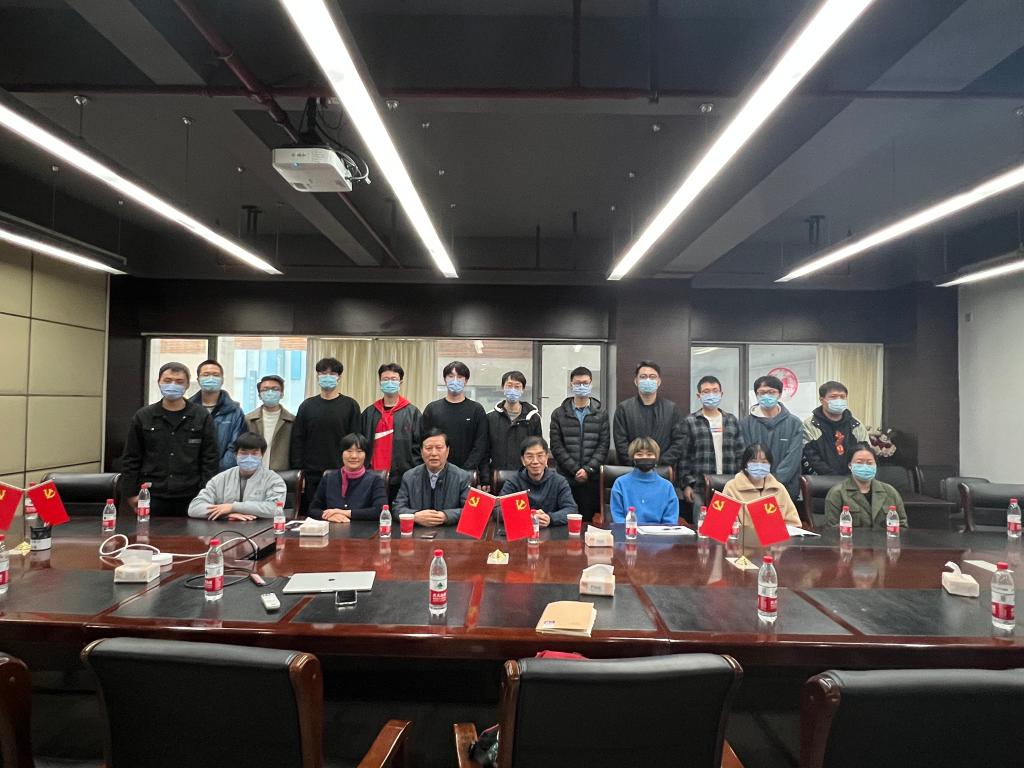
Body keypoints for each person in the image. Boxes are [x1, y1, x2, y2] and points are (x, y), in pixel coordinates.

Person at [120, 362, 219, 517]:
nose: (173, 385)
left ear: (187, 385)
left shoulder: (201, 416)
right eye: (167, 380)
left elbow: (210, 459)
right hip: (152, 494)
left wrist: (206, 493)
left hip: (192, 496)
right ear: (159, 382)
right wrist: (130, 493)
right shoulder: (144, 416)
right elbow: (131, 458)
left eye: (179, 382)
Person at [290, 357, 361, 513]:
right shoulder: (307, 406)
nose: (327, 377)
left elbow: (356, 441)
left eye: (332, 373)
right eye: (323, 373)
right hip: (311, 475)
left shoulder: (350, 405)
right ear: (317, 376)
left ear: (339, 377)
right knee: (312, 515)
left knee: (338, 516)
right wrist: (299, 473)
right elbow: (298, 441)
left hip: (341, 473)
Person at [549, 366, 609, 521]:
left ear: (591, 384)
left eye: (585, 383)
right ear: (571, 385)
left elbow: (603, 445)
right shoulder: (559, 414)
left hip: (592, 478)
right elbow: (556, 446)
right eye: (577, 383)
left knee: (588, 522)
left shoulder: (601, 413)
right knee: (565, 520)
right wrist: (575, 469)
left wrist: (587, 470)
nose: (581, 386)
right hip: (566, 477)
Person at [187, 433, 286, 520]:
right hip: (225, 530)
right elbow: (194, 508)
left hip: (262, 530)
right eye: (244, 453)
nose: (249, 457)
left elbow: (275, 509)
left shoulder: (274, 480)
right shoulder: (221, 478)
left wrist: (233, 507)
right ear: (235, 455)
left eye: (254, 453)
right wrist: (226, 514)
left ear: (262, 455)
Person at [361, 363, 422, 503]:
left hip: (402, 478)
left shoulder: (412, 412)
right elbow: (362, 443)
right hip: (372, 476)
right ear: (380, 382)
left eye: (394, 379)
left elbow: (419, 447)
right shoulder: (369, 412)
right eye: (385, 379)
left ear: (401, 382)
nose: (389, 382)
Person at [678, 375, 745, 504]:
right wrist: (687, 485)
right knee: (701, 517)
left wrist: (741, 481)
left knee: (729, 517)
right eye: (706, 392)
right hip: (699, 487)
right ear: (699, 396)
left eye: (715, 391)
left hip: (730, 486)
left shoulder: (731, 420)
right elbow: (684, 458)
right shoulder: (690, 421)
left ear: (721, 394)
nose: (711, 395)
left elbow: (740, 454)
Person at [740, 374, 804, 503]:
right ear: (756, 395)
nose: (767, 396)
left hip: (785, 489)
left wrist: (774, 482)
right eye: (762, 393)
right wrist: (759, 482)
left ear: (779, 394)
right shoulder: (745, 423)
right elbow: (745, 455)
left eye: (771, 392)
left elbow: (793, 458)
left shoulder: (794, 423)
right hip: (753, 488)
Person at [421, 360, 489, 478]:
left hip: (467, 473)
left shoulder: (476, 410)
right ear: (445, 380)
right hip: (436, 471)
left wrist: (467, 470)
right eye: (451, 376)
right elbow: (424, 441)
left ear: (466, 381)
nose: (455, 380)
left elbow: (481, 444)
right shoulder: (432, 409)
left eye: (460, 377)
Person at [613, 360, 685, 469]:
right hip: (632, 470)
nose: (648, 380)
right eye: (643, 377)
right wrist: (636, 463)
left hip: (662, 470)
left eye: (652, 377)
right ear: (636, 381)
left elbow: (679, 441)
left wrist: (660, 463)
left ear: (659, 381)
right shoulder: (623, 409)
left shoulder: (672, 409)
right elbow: (620, 443)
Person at [393, 428, 472, 527]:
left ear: (447, 451)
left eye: (439, 448)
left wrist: (446, 516)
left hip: (449, 532)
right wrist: (415, 516)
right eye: (428, 448)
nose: (434, 453)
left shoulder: (462, 477)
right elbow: (397, 508)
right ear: (421, 451)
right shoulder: (409, 477)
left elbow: (471, 510)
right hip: (417, 532)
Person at [824, 443, 907, 529]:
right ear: (850, 466)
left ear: (875, 466)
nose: (865, 466)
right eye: (859, 463)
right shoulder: (837, 493)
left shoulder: (890, 492)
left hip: (886, 537)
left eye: (870, 463)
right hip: (850, 538)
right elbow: (832, 529)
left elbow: (902, 525)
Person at [498, 437, 576, 527]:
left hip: (552, 532)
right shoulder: (514, 482)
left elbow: (571, 509)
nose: (535, 461)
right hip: (522, 531)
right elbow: (498, 509)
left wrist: (550, 518)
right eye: (530, 456)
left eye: (540, 456)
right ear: (523, 460)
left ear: (546, 458)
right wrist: (525, 516)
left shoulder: (559, 481)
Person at [309, 433, 388, 522]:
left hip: (364, 529)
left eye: (359, 451)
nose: (354, 456)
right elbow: (313, 510)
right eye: (349, 451)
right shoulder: (329, 478)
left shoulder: (375, 480)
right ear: (341, 453)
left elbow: (380, 510)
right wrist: (328, 516)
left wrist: (345, 513)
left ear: (366, 455)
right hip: (333, 528)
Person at [721, 443, 801, 527]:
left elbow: (794, 523)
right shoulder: (731, 487)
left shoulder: (779, 488)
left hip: (776, 535)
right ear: (745, 464)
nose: (759, 466)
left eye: (764, 462)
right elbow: (723, 523)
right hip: (742, 535)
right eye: (754, 462)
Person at [485, 370, 542, 487]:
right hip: (496, 476)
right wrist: (485, 479)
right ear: (502, 387)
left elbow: (538, 448)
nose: (513, 390)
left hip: (525, 477)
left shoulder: (533, 418)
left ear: (523, 389)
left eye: (517, 386)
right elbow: (484, 450)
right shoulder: (490, 417)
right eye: (509, 386)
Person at [188, 359, 247, 470]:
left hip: (224, 474)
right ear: (198, 379)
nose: (211, 378)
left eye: (216, 375)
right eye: (206, 375)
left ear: (222, 379)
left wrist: (219, 471)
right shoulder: (188, 410)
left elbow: (236, 446)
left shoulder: (234, 411)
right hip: (192, 474)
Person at [802, 380, 870, 476]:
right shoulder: (810, 425)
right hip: (821, 480)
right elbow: (810, 456)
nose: (839, 400)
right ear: (822, 400)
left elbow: (865, 453)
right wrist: (832, 477)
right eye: (833, 397)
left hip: (852, 479)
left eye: (842, 397)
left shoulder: (856, 425)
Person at [609, 437, 679, 525]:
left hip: (659, 533)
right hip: (628, 532)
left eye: (649, 454)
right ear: (632, 457)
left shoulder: (667, 487)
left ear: (656, 457)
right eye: (639, 454)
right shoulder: (620, 483)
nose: (645, 457)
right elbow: (618, 517)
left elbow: (670, 521)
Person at [244, 375, 295, 471]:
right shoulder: (248, 420)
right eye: (265, 389)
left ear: (282, 394)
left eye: (275, 389)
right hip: (253, 472)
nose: (270, 392)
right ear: (259, 395)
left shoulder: (292, 421)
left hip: (282, 473)